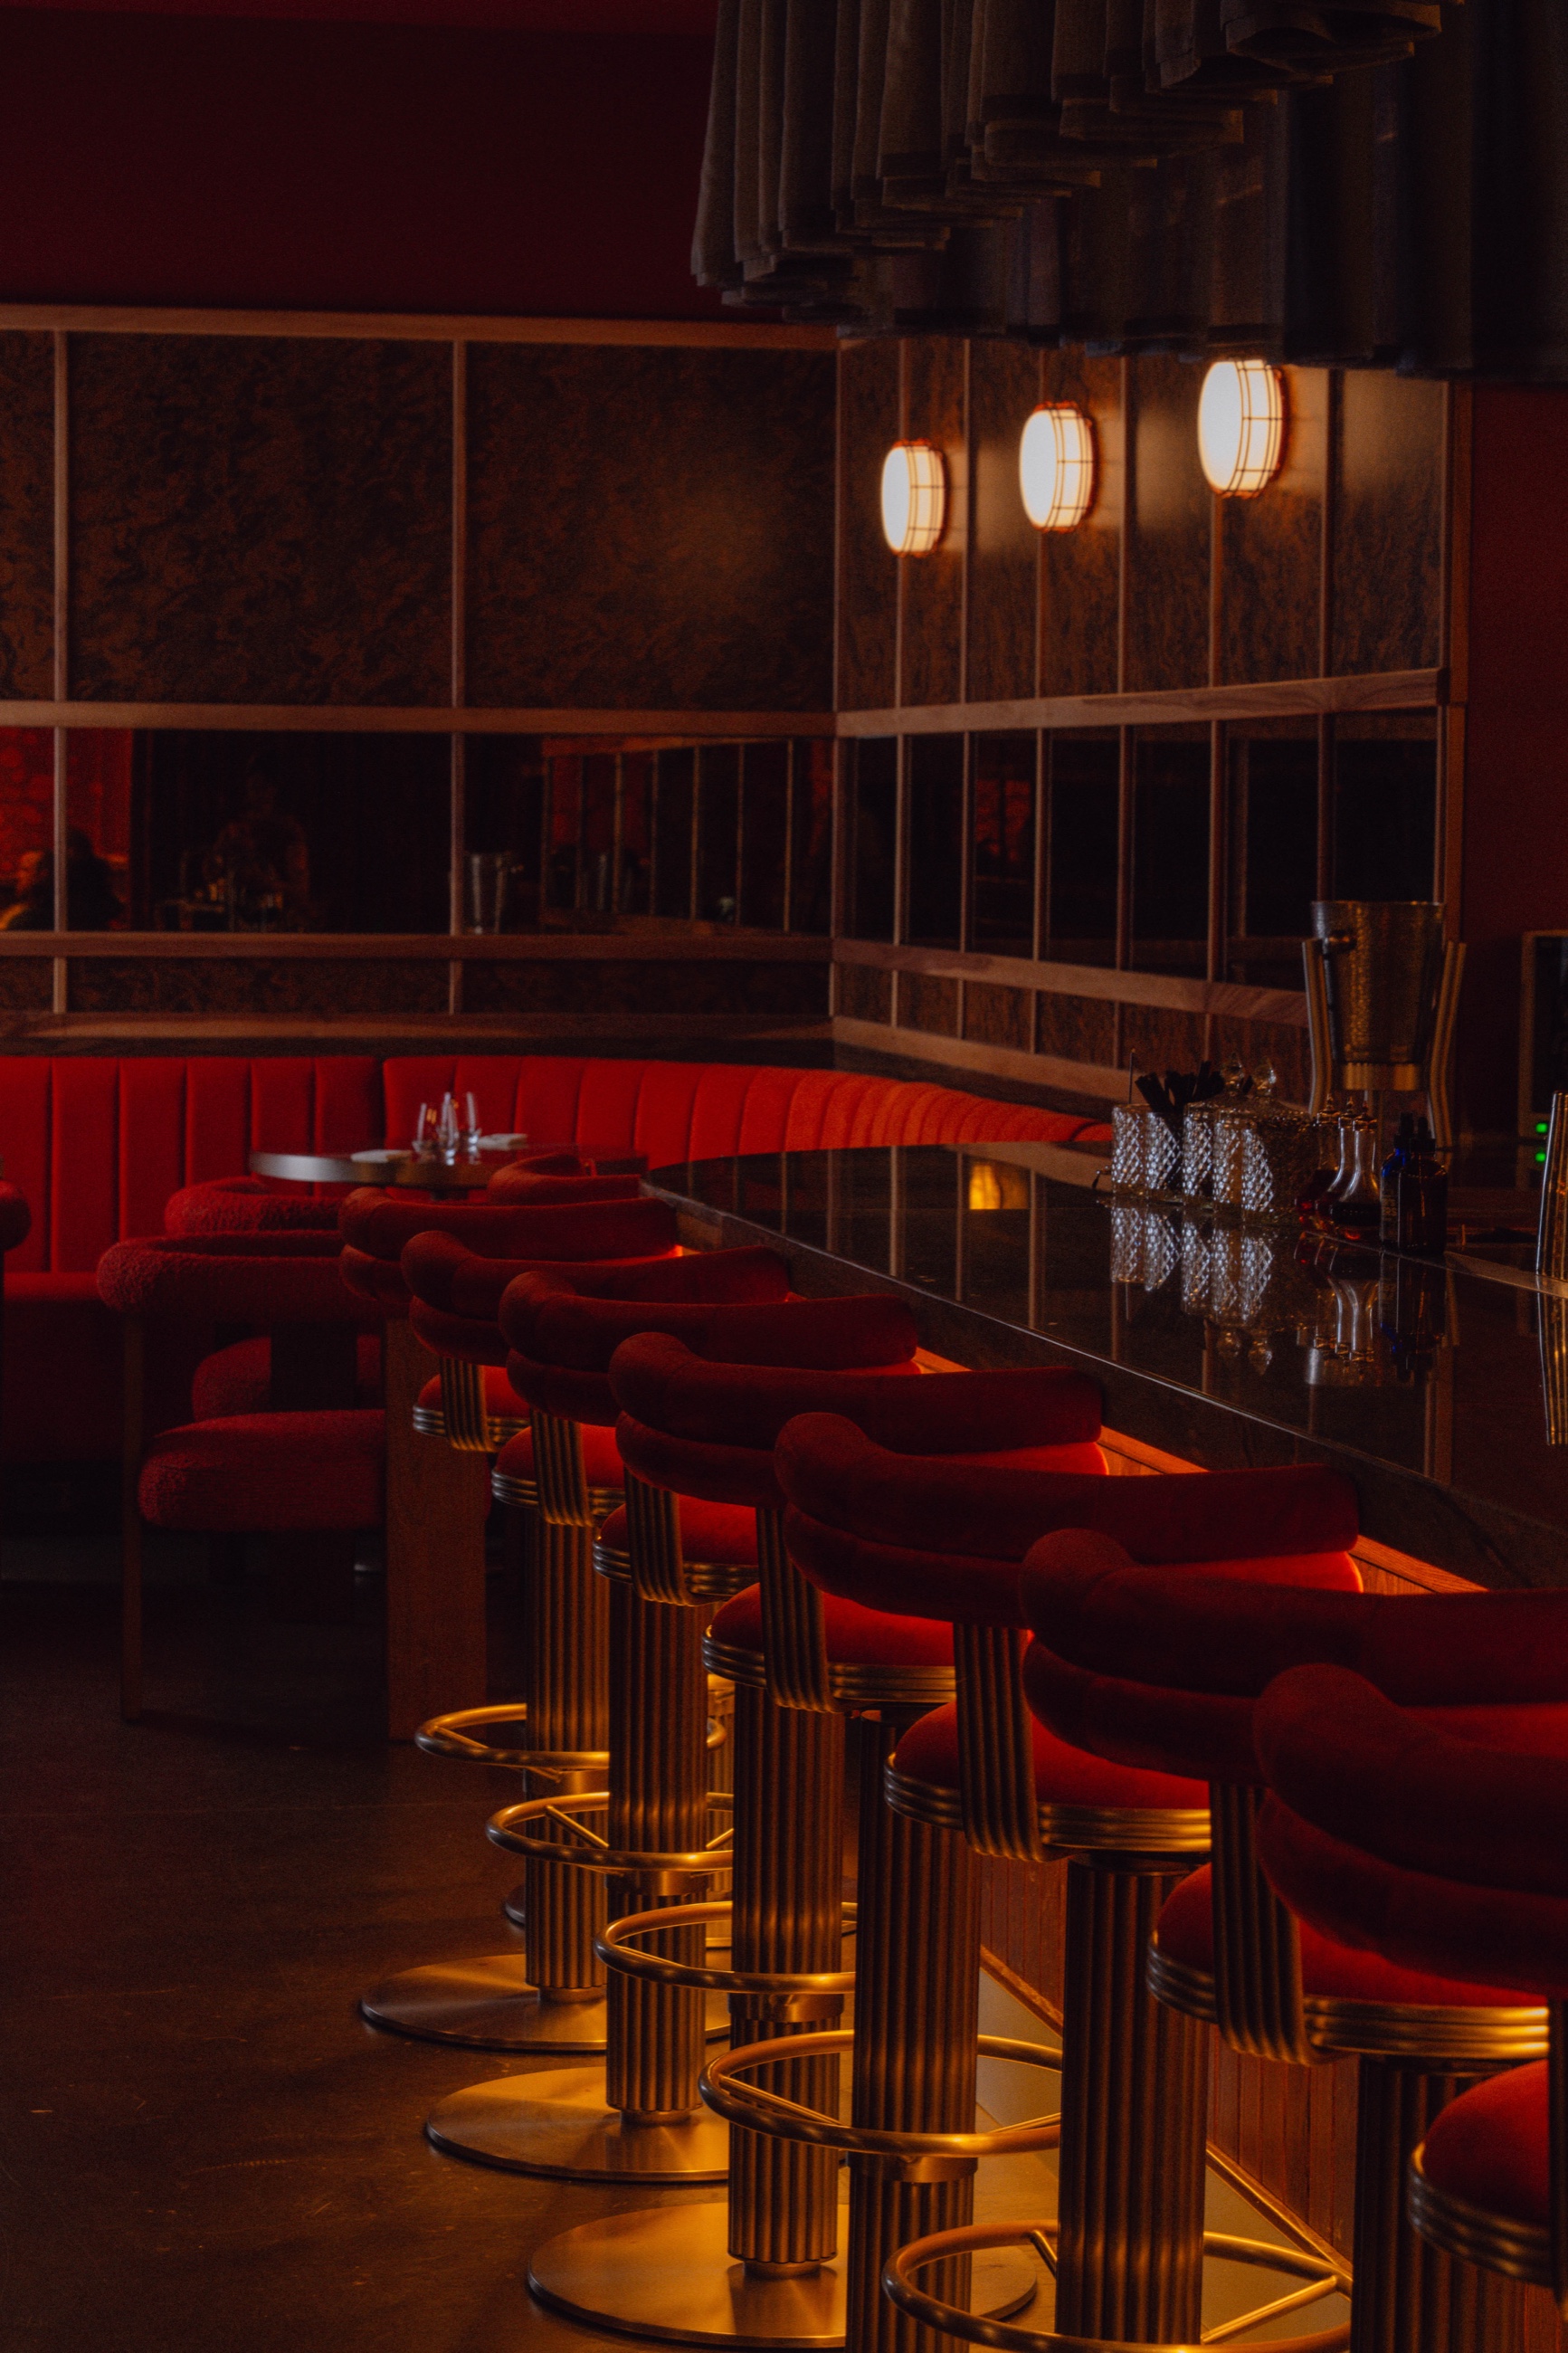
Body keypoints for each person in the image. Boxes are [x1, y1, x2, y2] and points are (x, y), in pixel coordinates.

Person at [210, 767, 309, 927]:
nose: (257, 794)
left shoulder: (288, 829)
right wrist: (223, 849)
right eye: (253, 788)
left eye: (263, 787)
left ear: (274, 790)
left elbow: (299, 890)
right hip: (235, 919)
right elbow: (211, 871)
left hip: (277, 919)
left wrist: (267, 884)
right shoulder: (235, 828)